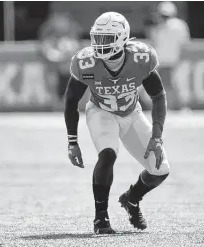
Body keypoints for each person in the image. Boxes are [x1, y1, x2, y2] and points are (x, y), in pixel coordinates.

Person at [64, 12, 170, 234]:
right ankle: (100, 219)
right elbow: (71, 99)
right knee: (108, 154)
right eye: (98, 38)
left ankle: (131, 199)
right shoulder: (86, 61)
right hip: (101, 112)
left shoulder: (141, 58)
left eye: (107, 38)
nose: (100, 45)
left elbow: (158, 97)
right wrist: (72, 141)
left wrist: (157, 136)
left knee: (160, 170)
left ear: (123, 38)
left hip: (132, 113)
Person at [145, 1, 190, 110]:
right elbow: (185, 44)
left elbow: (184, 44)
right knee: (170, 85)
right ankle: (178, 108)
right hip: (169, 60)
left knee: (176, 84)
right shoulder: (178, 25)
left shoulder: (175, 25)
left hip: (170, 60)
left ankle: (180, 108)